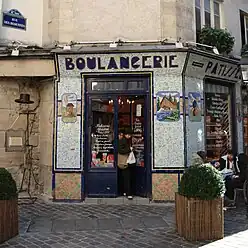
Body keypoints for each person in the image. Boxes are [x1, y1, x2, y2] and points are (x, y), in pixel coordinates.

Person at [117, 128, 135, 200]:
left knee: (124, 177)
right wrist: (129, 149)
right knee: (127, 178)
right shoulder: (123, 140)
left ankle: (124, 191)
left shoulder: (125, 140)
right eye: (129, 135)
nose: (129, 136)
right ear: (126, 134)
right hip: (125, 162)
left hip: (125, 161)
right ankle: (128, 193)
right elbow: (120, 150)